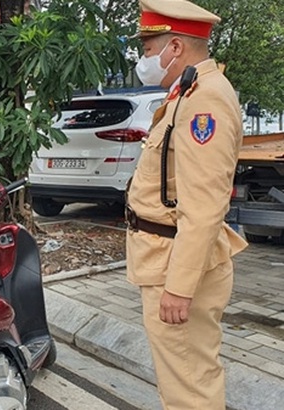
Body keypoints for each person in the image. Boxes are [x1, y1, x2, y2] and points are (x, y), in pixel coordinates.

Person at [125, 1, 249, 409]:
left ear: (174, 47)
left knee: (189, 390)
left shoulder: (204, 101)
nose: (144, 61)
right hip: (164, 257)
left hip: (176, 265)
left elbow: (204, 206)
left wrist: (179, 288)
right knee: (182, 381)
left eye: (148, 50)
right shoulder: (189, 91)